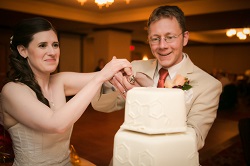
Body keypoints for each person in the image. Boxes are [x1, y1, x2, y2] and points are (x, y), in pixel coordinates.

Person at [0, 17, 131, 165]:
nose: (52, 52)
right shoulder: (12, 91)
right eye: (42, 45)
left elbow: (109, 76)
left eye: (55, 45)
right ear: (23, 50)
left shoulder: (60, 81)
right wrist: (101, 77)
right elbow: (57, 124)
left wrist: (127, 72)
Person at [91, 5, 222, 152]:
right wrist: (108, 79)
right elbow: (101, 105)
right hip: (130, 154)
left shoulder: (209, 85)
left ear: (185, 38)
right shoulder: (135, 67)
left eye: (170, 37)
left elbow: (194, 141)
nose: (162, 46)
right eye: (155, 39)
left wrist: (149, 95)